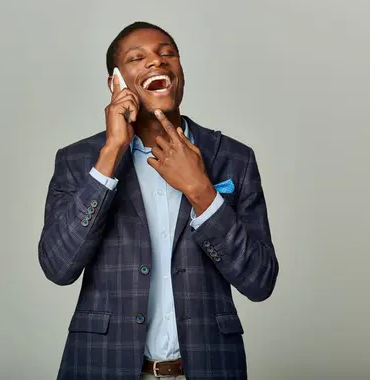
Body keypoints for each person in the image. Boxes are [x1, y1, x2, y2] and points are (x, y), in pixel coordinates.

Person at [37, 21, 279, 380]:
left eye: (167, 54)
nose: (157, 62)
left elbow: (260, 281)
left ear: (180, 71)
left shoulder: (234, 158)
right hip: (101, 366)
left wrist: (201, 190)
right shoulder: (78, 160)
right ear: (115, 83)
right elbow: (58, 267)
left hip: (211, 368)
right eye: (138, 58)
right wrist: (112, 152)